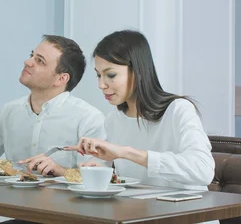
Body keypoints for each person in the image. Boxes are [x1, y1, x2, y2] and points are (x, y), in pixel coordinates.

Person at [72, 30, 215, 193]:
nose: (101, 85)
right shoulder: (114, 120)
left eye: (110, 75)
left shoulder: (178, 109)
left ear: (138, 72)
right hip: (139, 213)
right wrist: (97, 168)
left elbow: (203, 170)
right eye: (98, 75)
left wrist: (128, 153)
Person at [0, 35, 105, 177]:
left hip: (65, 207)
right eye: (32, 55)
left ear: (61, 79)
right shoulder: (8, 111)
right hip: (11, 205)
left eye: (39, 61)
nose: (28, 62)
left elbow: (97, 176)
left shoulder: (89, 118)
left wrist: (60, 170)